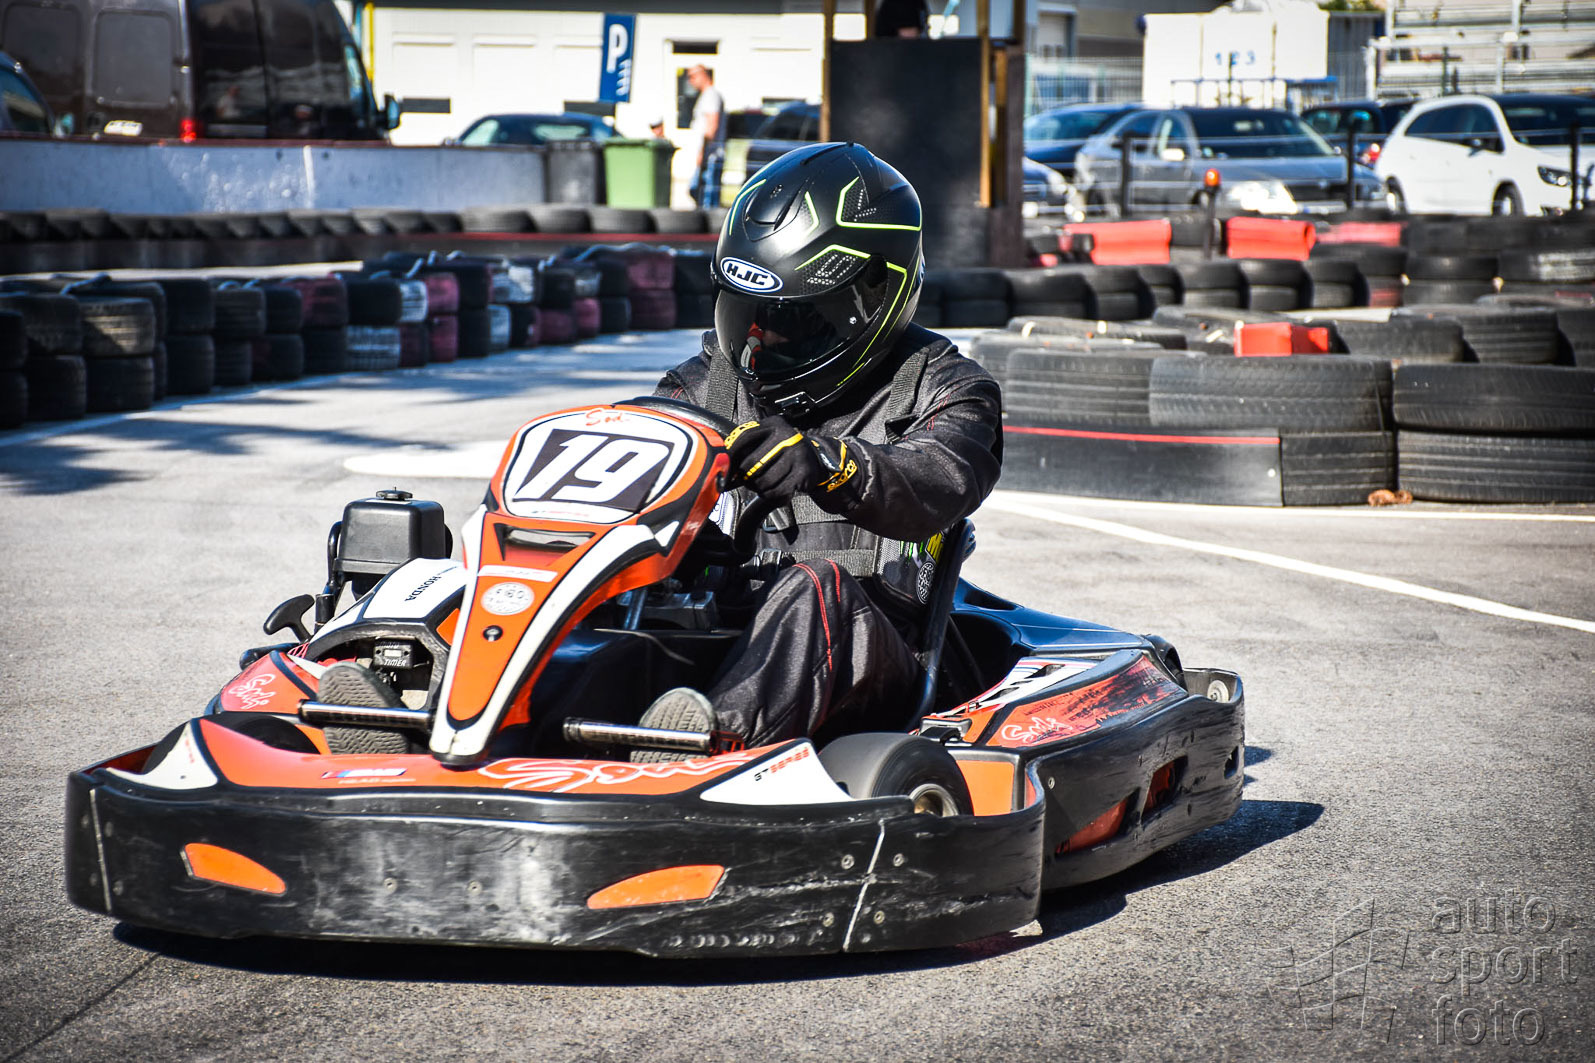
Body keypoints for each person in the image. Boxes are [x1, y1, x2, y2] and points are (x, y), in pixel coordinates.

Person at [638, 142, 1002, 759]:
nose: (759, 338)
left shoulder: (947, 388)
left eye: (791, 320)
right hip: (713, 641)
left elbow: (938, 478)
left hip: (874, 661)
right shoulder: (701, 388)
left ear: (872, 298)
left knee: (817, 587)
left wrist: (829, 464)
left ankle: (696, 755)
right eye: (745, 313)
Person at [686, 64, 725, 207]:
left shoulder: (711, 95)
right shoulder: (706, 96)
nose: (690, 81)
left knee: (705, 198)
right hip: (707, 155)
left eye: (692, 76)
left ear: (703, 74)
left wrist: (703, 152)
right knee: (697, 193)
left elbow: (712, 125)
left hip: (710, 156)